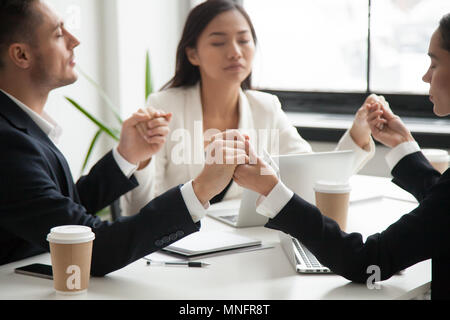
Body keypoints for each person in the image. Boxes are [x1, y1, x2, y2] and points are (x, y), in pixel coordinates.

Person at [0, 0, 246, 276]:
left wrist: (126, 156)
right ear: (21, 55)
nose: (75, 40)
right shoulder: (7, 143)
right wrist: (200, 190)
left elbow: (62, 213)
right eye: (59, 34)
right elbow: (96, 248)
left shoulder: (19, 128)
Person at [232, 13, 450, 300]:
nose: (425, 76)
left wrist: (272, 191)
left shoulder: (266, 105)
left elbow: (367, 261)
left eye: (434, 63)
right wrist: (401, 144)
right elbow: (441, 208)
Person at [121, 0, 383, 216]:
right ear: (193, 54)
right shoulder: (165, 106)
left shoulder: (266, 107)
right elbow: (139, 211)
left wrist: (359, 133)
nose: (235, 52)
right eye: (218, 42)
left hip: (250, 245)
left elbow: (315, 178)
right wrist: (142, 161)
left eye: (244, 41)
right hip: (180, 246)